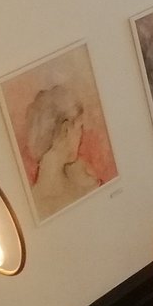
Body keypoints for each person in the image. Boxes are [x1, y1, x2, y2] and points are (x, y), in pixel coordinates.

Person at [25, 84, 102, 218]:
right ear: (66, 129)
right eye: (79, 127)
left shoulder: (33, 199)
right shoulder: (84, 186)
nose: (81, 135)